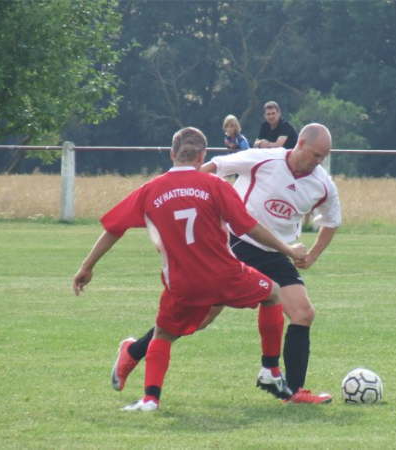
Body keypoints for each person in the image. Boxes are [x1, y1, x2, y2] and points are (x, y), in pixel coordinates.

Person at [73, 127, 307, 412]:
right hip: (225, 275)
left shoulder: (151, 189)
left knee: (164, 334)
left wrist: (87, 267)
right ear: (202, 155)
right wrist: (288, 249)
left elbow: (114, 228)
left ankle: (149, 399)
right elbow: (249, 227)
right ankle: (270, 369)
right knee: (272, 293)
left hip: (183, 283)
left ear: (172, 154)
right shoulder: (215, 185)